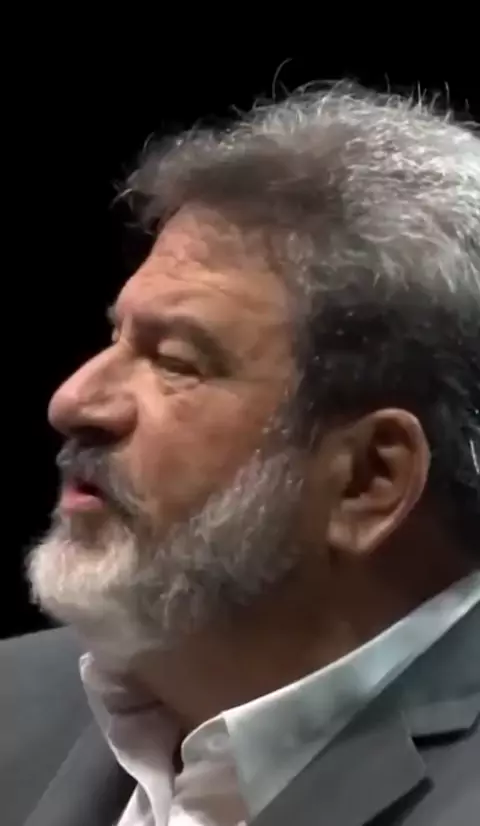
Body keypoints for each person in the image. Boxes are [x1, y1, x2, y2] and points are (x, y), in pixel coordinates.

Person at [2, 84, 479, 826]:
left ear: (368, 479)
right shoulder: (12, 701)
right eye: (116, 337)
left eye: (176, 361)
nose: (74, 401)